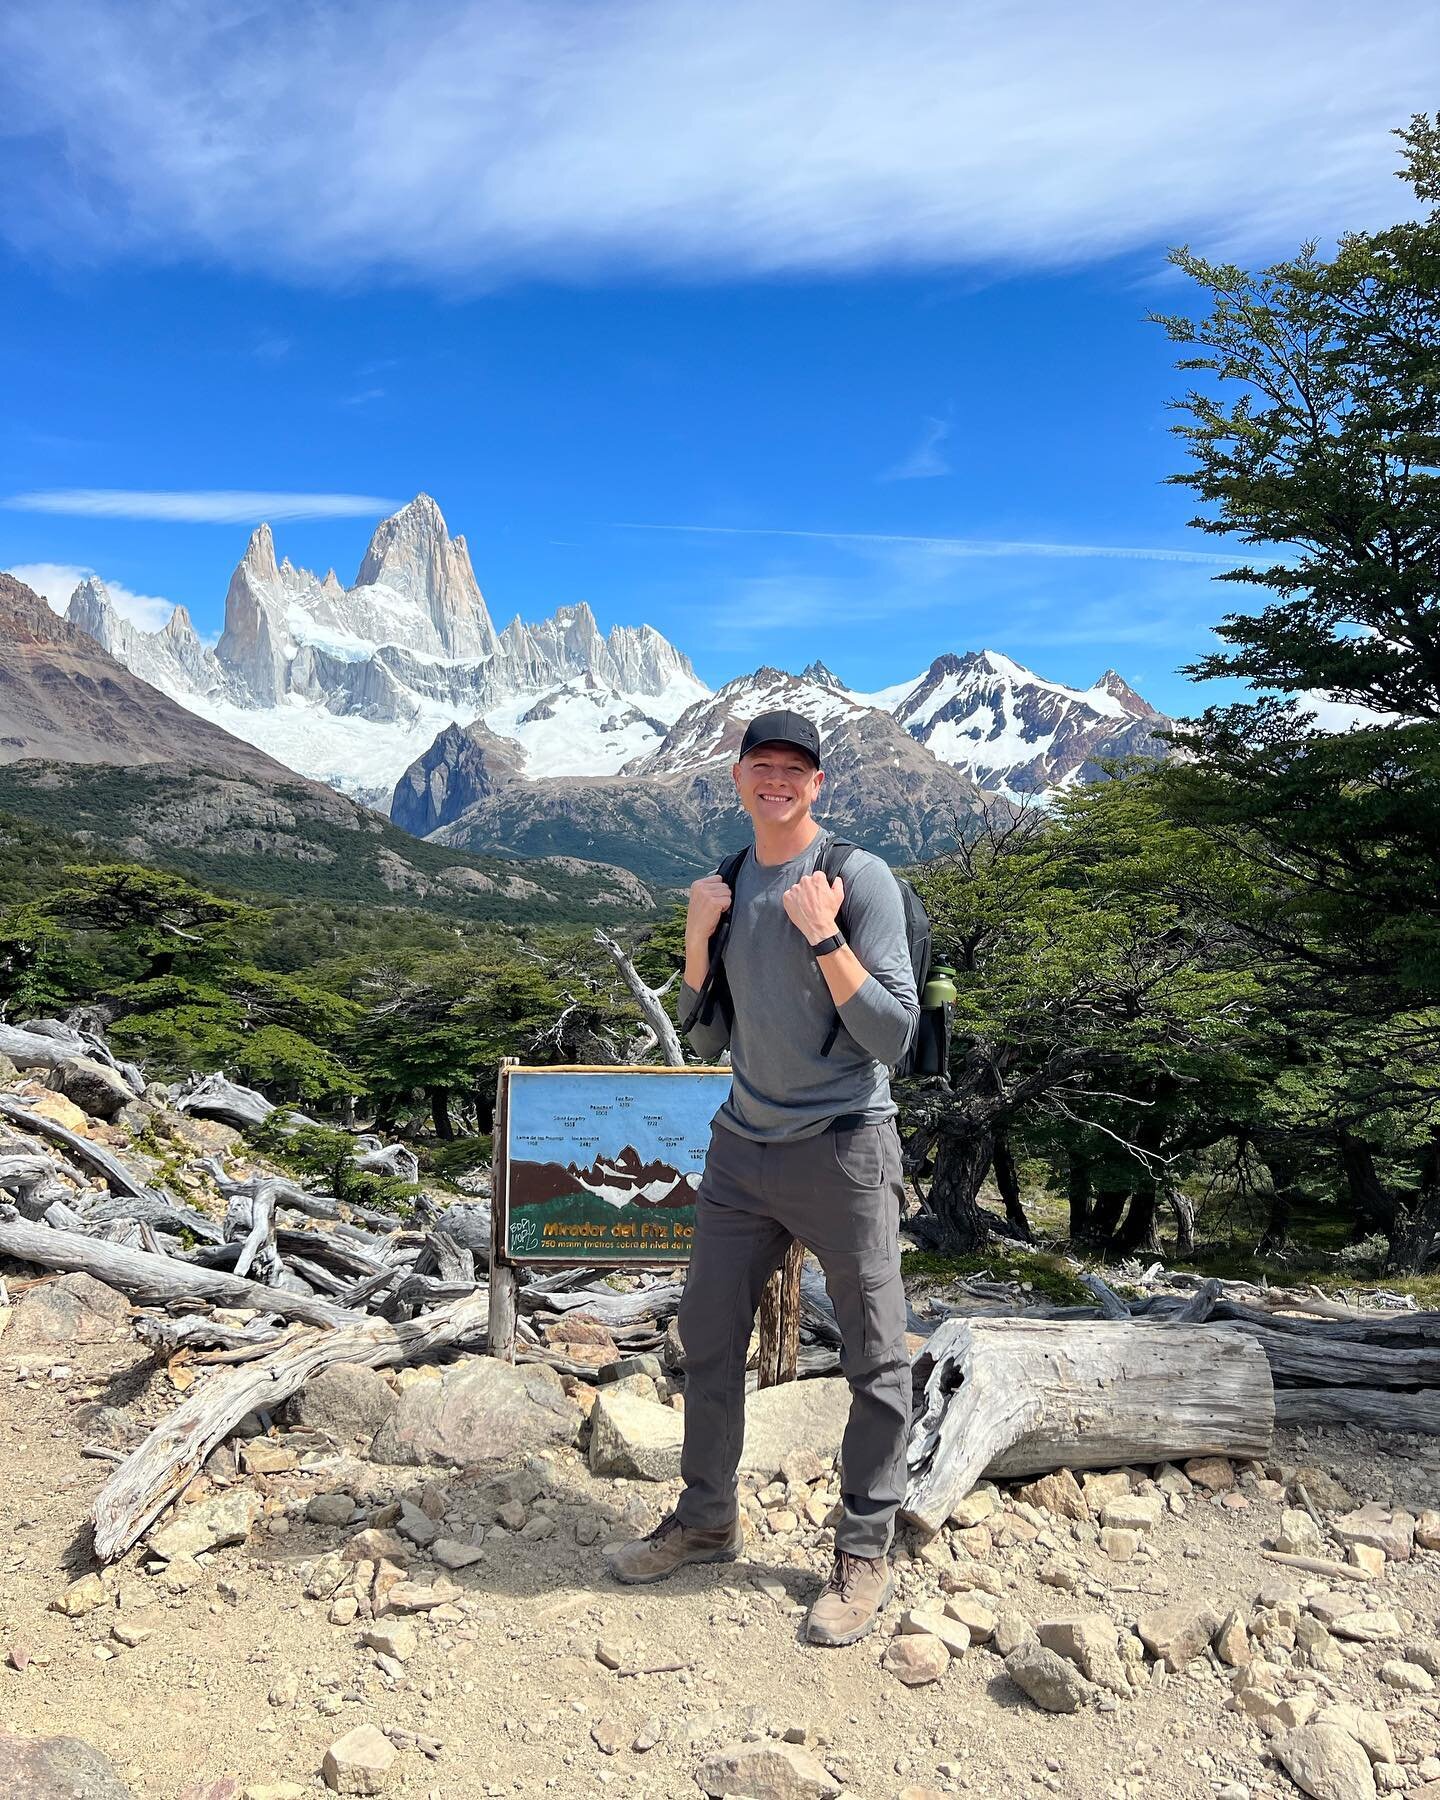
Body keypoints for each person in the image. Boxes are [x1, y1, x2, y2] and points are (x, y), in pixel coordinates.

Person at [605, 707, 919, 1647]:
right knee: (707, 1336)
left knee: (876, 1354)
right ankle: (706, 1518)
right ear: (737, 777)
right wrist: (699, 941)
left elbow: (895, 1038)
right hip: (742, 1144)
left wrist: (828, 940)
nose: (777, 780)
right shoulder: (730, 880)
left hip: (845, 1144)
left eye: (795, 769)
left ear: (817, 784)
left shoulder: (859, 880)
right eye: (762, 766)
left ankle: (862, 1552)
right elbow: (708, 1036)